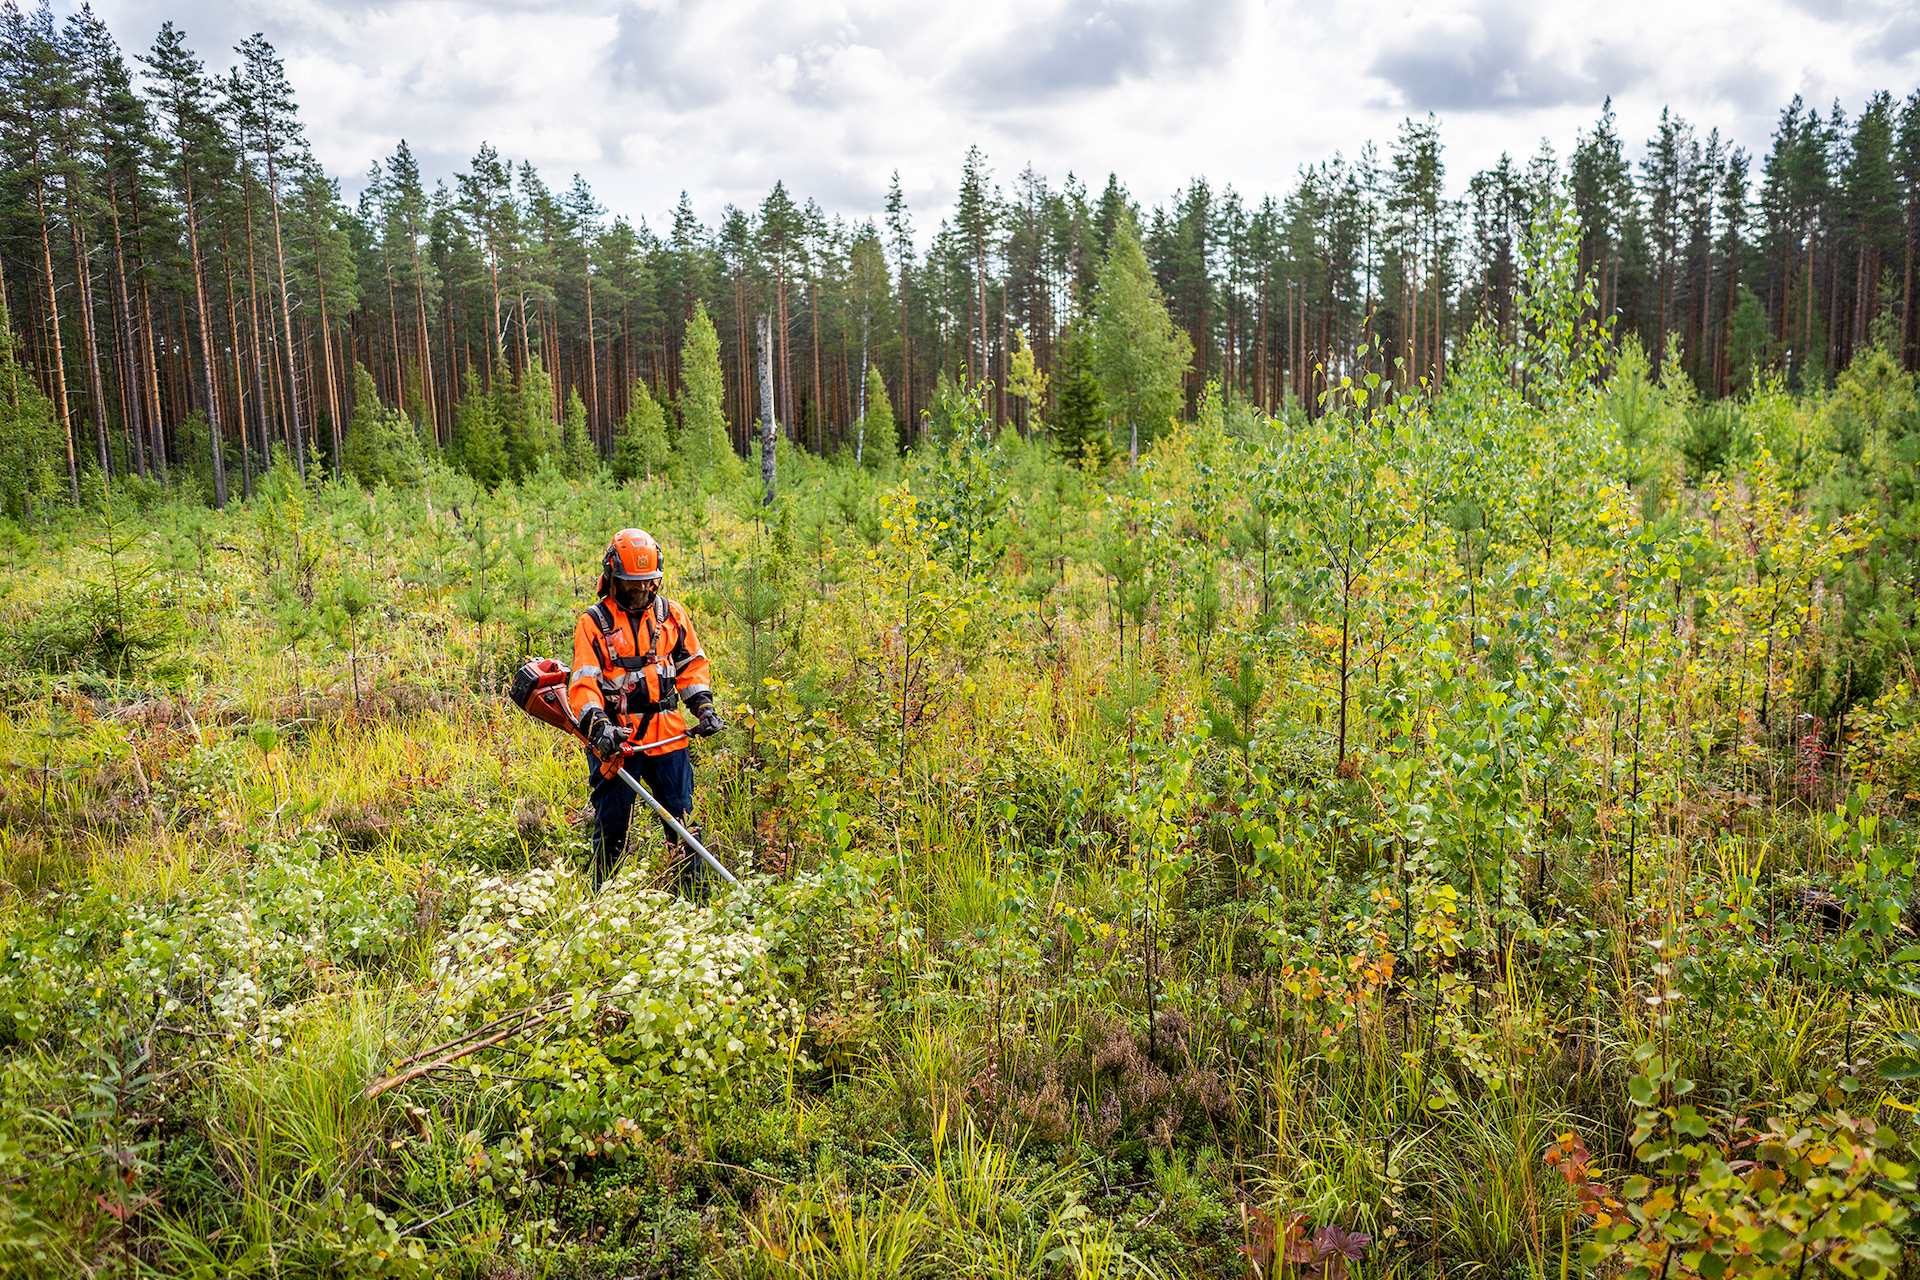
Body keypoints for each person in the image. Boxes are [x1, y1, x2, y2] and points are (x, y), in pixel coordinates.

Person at [567, 528, 724, 893]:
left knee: (684, 822)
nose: (640, 592)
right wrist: (599, 726)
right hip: (617, 744)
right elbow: (584, 684)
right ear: (612, 578)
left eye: (647, 584)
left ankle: (694, 901)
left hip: (669, 737)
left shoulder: (672, 615)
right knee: (612, 825)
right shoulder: (593, 622)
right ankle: (602, 901)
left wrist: (703, 708)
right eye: (631, 584)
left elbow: (691, 667)